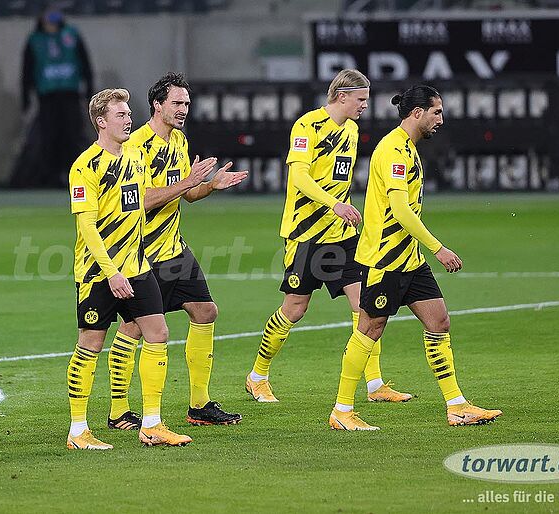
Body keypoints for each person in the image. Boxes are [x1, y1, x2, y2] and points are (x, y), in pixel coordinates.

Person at [328, 85, 502, 430]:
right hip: (385, 258)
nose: (441, 119)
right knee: (369, 329)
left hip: (409, 258)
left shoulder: (408, 147)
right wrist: (438, 248)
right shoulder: (394, 149)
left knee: (439, 322)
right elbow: (400, 209)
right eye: (436, 112)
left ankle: (457, 406)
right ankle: (342, 411)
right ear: (418, 112)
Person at [245, 69, 413, 405]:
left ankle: (374, 384)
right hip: (306, 234)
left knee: (366, 305)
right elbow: (299, 176)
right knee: (294, 309)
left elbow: (340, 178)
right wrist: (334, 204)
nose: (365, 105)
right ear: (341, 96)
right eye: (360, 99)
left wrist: (347, 209)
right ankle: (257, 376)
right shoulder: (307, 126)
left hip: (342, 235)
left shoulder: (351, 130)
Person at [104, 73, 248, 431]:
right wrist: (188, 182)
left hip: (174, 249)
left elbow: (187, 194)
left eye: (186, 103)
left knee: (205, 311)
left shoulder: (179, 141)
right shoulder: (135, 146)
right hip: (141, 253)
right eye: (177, 103)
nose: (184, 109)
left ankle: (199, 405)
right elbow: (139, 200)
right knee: (133, 328)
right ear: (158, 104)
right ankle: (118, 410)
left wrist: (210, 186)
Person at [66, 88, 191, 450]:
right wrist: (111, 272)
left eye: (128, 114)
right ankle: (78, 431)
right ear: (101, 122)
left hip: (137, 267)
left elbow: (141, 208)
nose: (128, 120)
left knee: (158, 333)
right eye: (120, 115)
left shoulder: (135, 158)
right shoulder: (86, 166)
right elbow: (87, 227)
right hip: (98, 273)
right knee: (91, 343)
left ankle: (151, 424)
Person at [17, 4, 93, 188]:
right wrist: (25, 97)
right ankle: (50, 177)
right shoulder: (35, 40)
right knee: (48, 138)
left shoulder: (72, 35)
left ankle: (75, 176)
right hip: (47, 97)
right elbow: (27, 70)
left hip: (70, 95)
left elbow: (85, 63)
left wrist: (89, 90)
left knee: (72, 136)